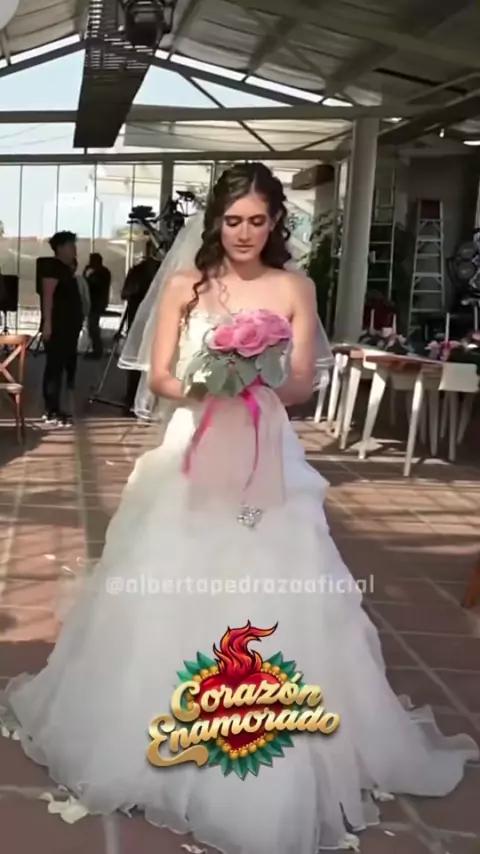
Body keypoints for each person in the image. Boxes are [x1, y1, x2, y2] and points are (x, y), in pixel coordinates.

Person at [0, 163, 477, 854]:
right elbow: (161, 375)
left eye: (257, 220)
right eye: (232, 221)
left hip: (264, 449)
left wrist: (256, 384)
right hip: (194, 444)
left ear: (276, 221)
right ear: (216, 222)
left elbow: (305, 379)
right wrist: (212, 383)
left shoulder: (294, 287)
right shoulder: (186, 285)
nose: (245, 233)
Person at [41, 231, 84, 427]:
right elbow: (48, 296)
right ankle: (51, 410)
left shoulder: (66, 270)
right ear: (60, 248)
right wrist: (48, 323)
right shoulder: (53, 268)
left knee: (62, 367)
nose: (74, 249)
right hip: (58, 327)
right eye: (70, 245)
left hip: (68, 327)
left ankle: (56, 407)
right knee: (54, 368)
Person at [120, 241, 160, 413]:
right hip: (139, 320)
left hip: (154, 321)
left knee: (151, 360)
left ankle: (143, 399)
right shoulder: (139, 271)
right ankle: (132, 397)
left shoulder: (164, 269)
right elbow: (125, 293)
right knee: (138, 359)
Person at [83, 252, 111, 359]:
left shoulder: (101, 273)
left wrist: (86, 272)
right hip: (97, 302)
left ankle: (97, 350)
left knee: (93, 326)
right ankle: (96, 348)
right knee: (92, 326)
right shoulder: (102, 272)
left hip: (97, 303)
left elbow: (89, 283)